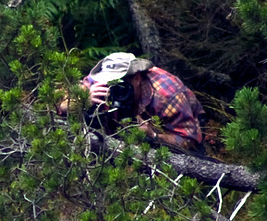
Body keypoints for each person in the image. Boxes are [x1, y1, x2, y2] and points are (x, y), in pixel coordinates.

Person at [59, 52, 206, 153]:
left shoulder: (167, 95)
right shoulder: (97, 86)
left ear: (136, 78)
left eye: (119, 84)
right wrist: (82, 101)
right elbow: (55, 103)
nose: (112, 89)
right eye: (108, 83)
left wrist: (153, 136)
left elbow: (189, 140)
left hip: (169, 129)